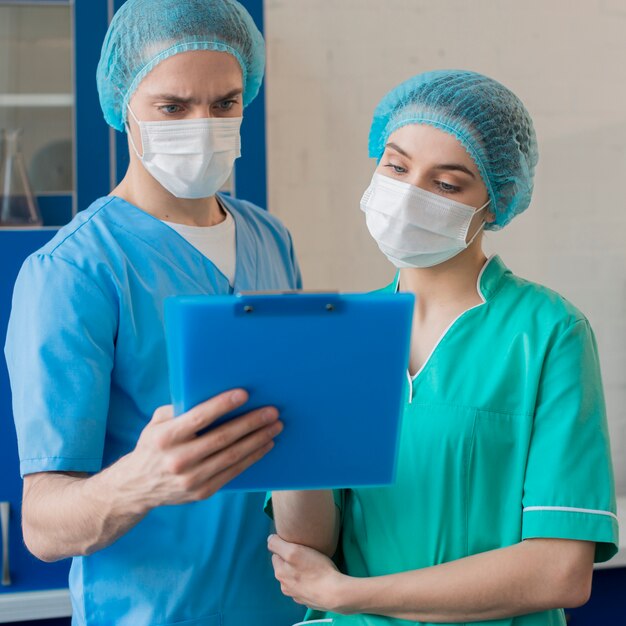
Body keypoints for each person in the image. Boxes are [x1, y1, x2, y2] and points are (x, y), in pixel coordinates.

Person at [267, 70, 619, 626]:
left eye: (446, 185)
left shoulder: (547, 333)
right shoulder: (338, 334)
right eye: (397, 166)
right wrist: (290, 426)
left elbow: (560, 571)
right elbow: (308, 547)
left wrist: (350, 595)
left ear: (496, 202)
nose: (408, 196)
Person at [4, 1, 305, 625]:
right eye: (173, 107)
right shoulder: (74, 270)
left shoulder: (269, 237)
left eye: (224, 104)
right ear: (123, 109)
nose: (203, 124)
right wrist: (141, 480)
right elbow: (42, 525)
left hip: (280, 606)